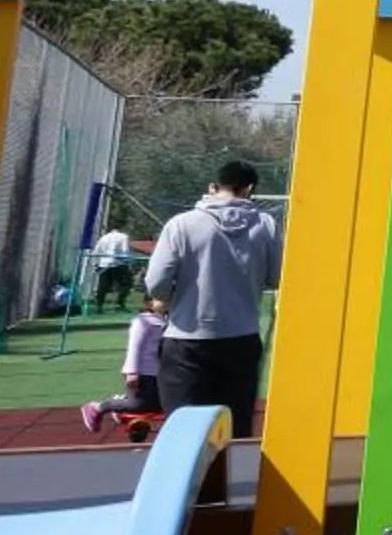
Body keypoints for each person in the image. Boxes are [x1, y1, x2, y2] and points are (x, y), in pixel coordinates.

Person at [144, 159, 282, 440]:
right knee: (234, 428)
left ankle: (187, 483)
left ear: (212, 187)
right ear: (250, 189)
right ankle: (229, 483)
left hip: (186, 338)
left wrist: (170, 299)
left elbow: (155, 282)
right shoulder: (267, 225)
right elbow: (278, 276)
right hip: (241, 338)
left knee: (181, 431)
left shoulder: (181, 224)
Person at [80, 292, 171, 434]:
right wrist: (132, 372)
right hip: (143, 372)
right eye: (161, 299)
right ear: (149, 304)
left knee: (158, 405)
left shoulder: (166, 321)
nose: (166, 301)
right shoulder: (143, 322)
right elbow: (134, 347)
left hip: (159, 372)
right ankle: (98, 407)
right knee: (139, 404)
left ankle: (121, 407)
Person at [90, 225, 139, 311]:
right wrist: (129, 262)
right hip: (118, 263)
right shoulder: (123, 237)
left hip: (104, 264)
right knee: (126, 284)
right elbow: (125, 250)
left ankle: (99, 305)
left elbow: (97, 251)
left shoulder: (104, 238)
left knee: (103, 286)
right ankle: (119, 303)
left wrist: (95, 264)